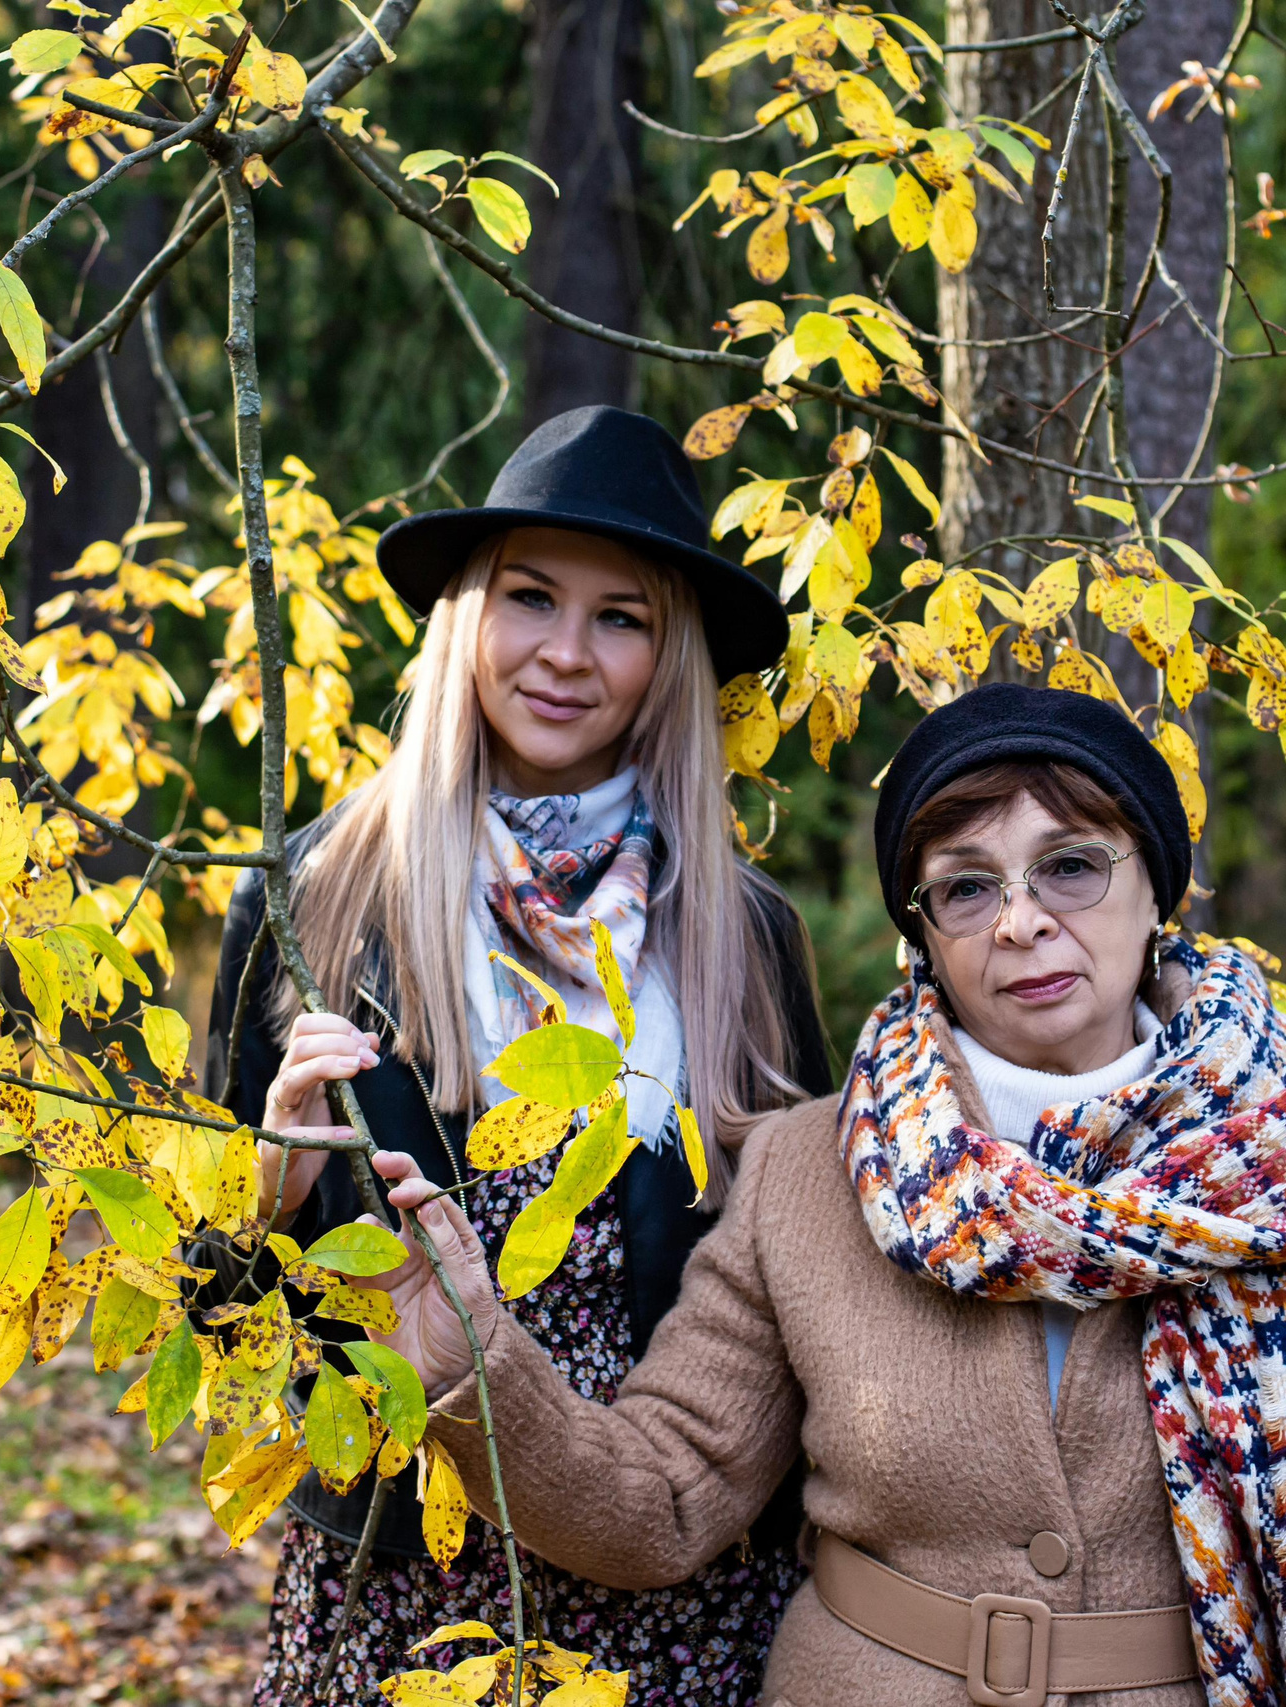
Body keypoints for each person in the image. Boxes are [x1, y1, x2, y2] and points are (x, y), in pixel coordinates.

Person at [366, 681, 1286, 1707]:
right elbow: (664, 1500)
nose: (1027, 921)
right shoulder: (814, 1169)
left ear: (1152, 889)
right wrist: (465, 1367)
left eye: (1071, 865)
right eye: (967, 886)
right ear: (922, 933)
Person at [206, 407, 835, 1706]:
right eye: (531, 598)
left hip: (677, 1592)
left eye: (622, 617)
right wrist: (257, 1198)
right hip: (399, 1581)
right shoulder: (318, 903)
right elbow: (214, 1318)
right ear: (467, 622)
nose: (565, 654)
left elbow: (810, 1292)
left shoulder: (743, 936)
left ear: (669, 658)